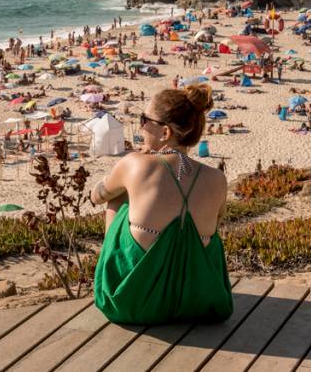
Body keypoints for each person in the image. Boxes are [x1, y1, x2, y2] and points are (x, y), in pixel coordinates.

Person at [91, 84, 232, 325]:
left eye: (144, 120)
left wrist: (132, 172)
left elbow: (96, 196)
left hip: (132, 305)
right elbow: (216, 224)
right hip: (201, 302)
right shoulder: (217, 179)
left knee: (116, 195)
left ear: (165, 132)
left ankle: (116, 276)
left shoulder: (135, 164)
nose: (140, 126)